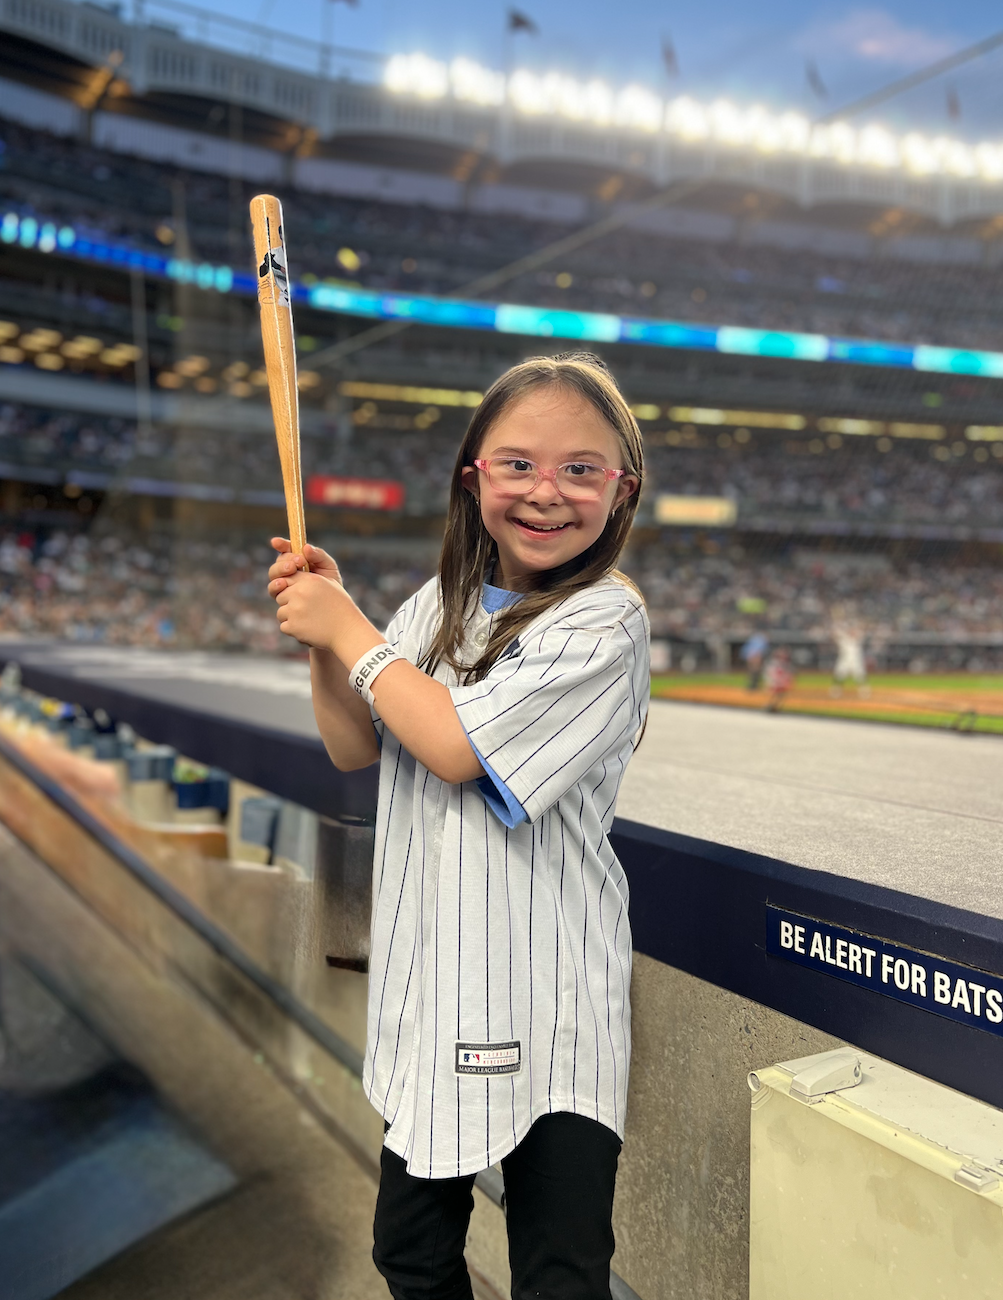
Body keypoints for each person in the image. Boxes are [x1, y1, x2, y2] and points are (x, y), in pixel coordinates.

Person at [267, 353, 649, 1300]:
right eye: (516, 463)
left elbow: (449, 745)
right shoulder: (431, 607)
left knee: (557, 1275)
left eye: (580, 468)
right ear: (473, 477)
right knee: (410, 1251)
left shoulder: (604, 624)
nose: (546, 492)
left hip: (546, 999)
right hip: (432, 992)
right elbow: (357, 742)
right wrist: (327, 642)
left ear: (622, 489)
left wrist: (349, 627)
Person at [831, 615, 870, 698]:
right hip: (844, 661)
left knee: (860, 677)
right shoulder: (843, 639)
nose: (852, 632)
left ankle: (864, 692)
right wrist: (836, 625)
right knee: (839, 675)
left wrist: (860, 625)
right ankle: (836, 691)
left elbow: (863, 629)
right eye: (851, 630)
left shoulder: (858, 639)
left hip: (855, 661)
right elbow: (835, 634)